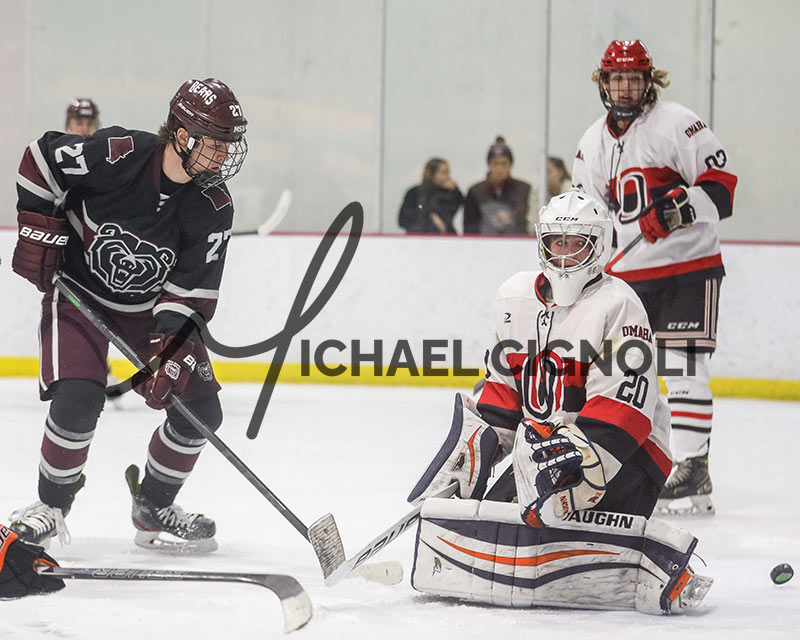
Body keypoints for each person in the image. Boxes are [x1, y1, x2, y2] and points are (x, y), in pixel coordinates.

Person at [407, 192, 710, 613]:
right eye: (557, 242)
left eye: (576, 243)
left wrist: (574, 482)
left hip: (626, 458)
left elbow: (625, 413)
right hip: (543, 455)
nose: (564, 255)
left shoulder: (618, 304)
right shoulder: (513, 299)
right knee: (490, 522)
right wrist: (472, 456)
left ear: (598, 246)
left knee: (539, 530)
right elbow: (502, 397)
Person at [8, 78, 249, 553]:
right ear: (182, 135)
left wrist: (169, 352)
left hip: (147, 311)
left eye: (229, 144)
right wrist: (39, 227)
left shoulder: (212, 206)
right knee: (78, 398)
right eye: (216, 143)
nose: (224, 156)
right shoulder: (119, 153)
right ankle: (50, 508)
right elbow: (40, 160)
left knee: (201, 413)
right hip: (79, 294)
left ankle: (153, 505)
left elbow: (190, 292)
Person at [571, 40, 737, 516]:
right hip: (628, 278)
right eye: (616, 78)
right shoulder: (591, 143)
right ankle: (646, 464)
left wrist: (678, 209)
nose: (625, 87)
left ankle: (694, 467)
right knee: (629, 373)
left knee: (682, 366)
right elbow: (589, 215)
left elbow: (722, 188)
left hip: (688, 269)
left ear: (649, 81)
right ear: (603, 83)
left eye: (634, 78)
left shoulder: (677, 123)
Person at [463, 136, 531, 235]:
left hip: (516, 242)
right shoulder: (476, 192)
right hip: (483, 242)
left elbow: (528, 223)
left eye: (504, 164)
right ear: (489, 165)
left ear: (510, 165)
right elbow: (469, 227)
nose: (499, 169)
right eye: (495, 164)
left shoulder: (524, 190)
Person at [398, 157, 463, 234]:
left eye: (448, 172)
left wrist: (454, 191)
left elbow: (454, 208)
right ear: (432, 174)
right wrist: (431, 220)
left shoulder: (448, 193)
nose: (447, 176)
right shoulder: (414, 193)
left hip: (445, 236)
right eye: (444, 173)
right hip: (419, 236)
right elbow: (403, 220)